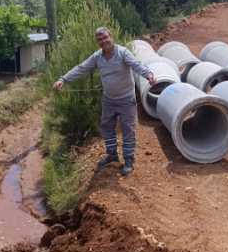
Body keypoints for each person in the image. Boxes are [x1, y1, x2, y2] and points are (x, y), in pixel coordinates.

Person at [53, 27, 156, 176]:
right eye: (100, 39)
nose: (103, 41)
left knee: (128, 130)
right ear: (97, 42)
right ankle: (112, 155)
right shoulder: (97, 57)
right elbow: (81, 68)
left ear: (111, 37)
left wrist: (149, 75)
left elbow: (137, 65)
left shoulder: (123, 53)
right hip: (108, 99)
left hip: (126, 99)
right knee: (107, 127)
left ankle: (128, 161)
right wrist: (63, 79)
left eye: (105, 37)